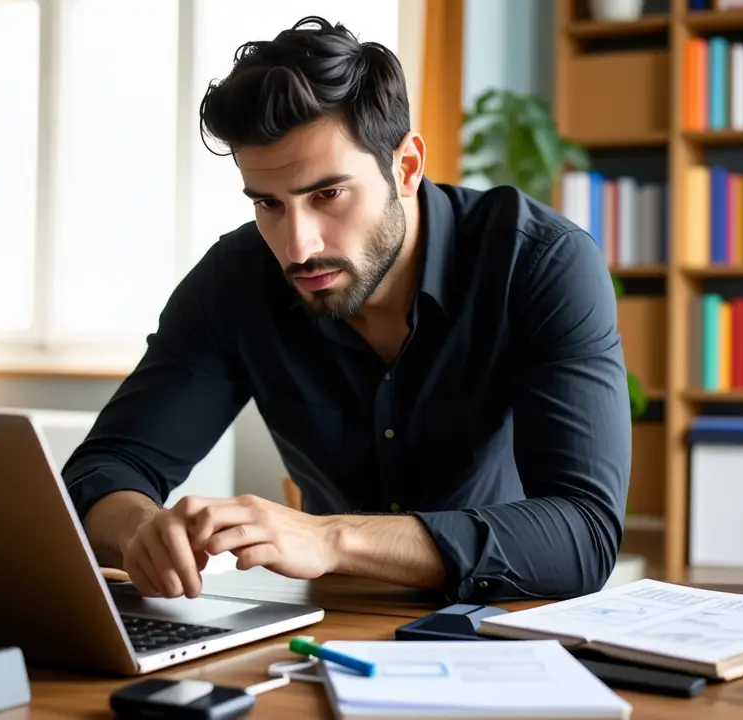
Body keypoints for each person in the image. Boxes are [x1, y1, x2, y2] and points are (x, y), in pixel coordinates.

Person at [62, 16, 630, 605]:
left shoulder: (538, 263)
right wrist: (142, 531)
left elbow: (583, 534)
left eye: (327, 194)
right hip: (328, 621)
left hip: (498, 619)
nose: (298, 246)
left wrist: (331, 538)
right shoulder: (234, 280)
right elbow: (104, 469)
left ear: (406, 168)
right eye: (268, 204)